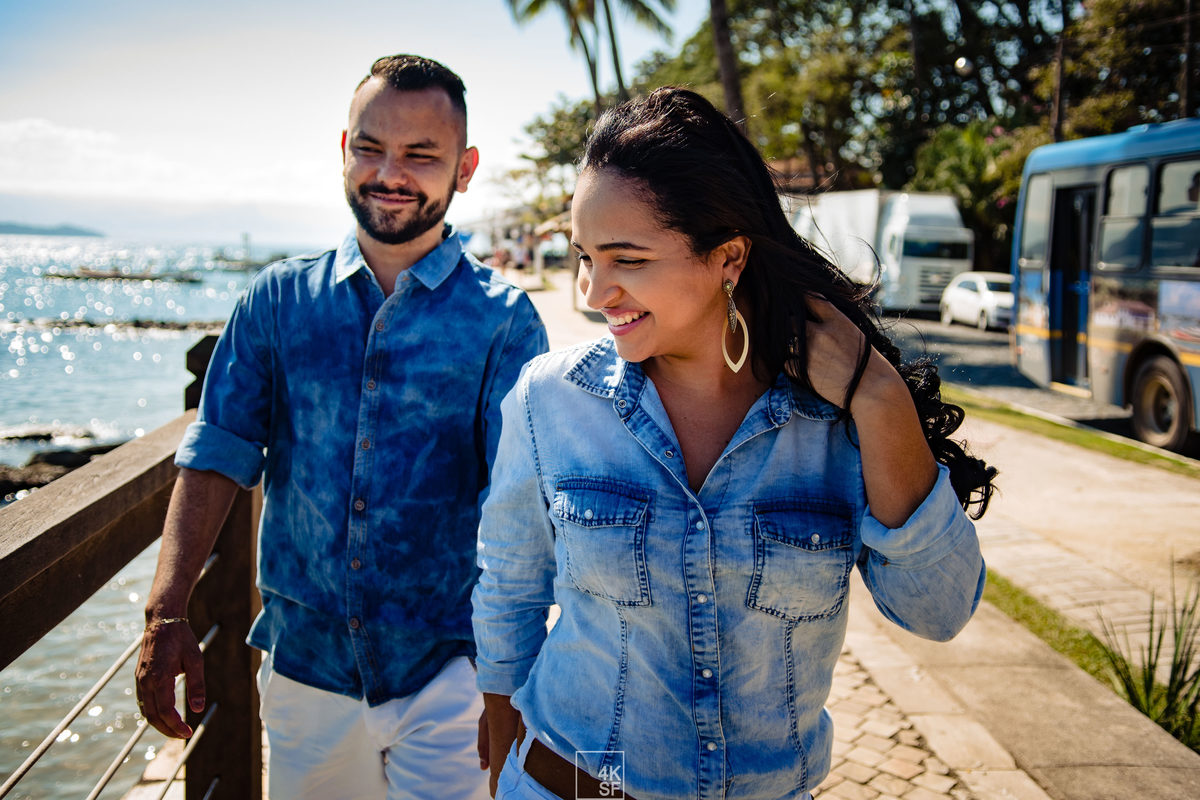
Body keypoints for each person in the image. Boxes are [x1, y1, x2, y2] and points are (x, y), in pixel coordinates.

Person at [472, 87, 996, 800]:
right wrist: (502, 740)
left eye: (626, 259)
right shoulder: (550, 399)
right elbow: (509, 584)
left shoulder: (837, 418)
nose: (596, 291)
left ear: (728, 258)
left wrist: (879, 398)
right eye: (585, 257)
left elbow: (939, 612)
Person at [135, 54, 548, 800]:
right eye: (370, 146)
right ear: (343, 149)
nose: (391, 171)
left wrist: (511, 678)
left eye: (422, 154)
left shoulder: (504, 321)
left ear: (465, 168)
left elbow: (521, 507)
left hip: (451, 675)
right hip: (306, 673)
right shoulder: (277, 301)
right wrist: (166, 614)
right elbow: (218, 450)